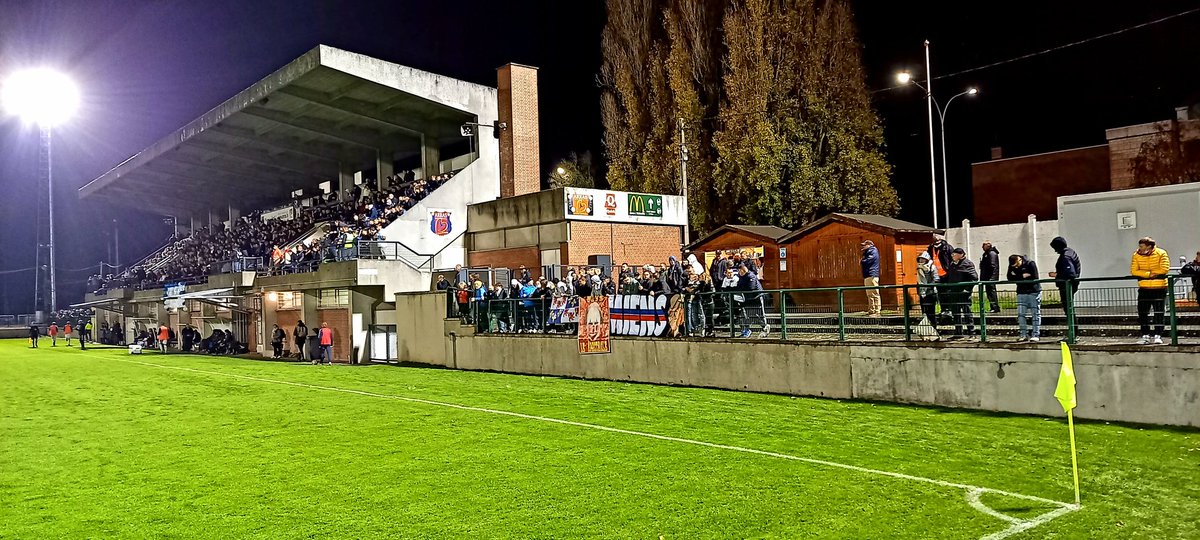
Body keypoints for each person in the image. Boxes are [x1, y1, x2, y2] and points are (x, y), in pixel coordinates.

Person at [1130, 237, 1170, 345]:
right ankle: (1145, 335)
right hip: (1144, 288)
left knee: (1159, 312)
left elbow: (1164, 269)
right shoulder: (1136, 255)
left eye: (1142, 246)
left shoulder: (1161, 253)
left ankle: (1158, 335)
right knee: (1142, 313)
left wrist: (1146, 273)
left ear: (1149, 246)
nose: (1140, 248)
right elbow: (1134, 271)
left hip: (1159, 287)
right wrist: (1149, 274)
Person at [944, 248, 978, 339]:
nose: (952, 256)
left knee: (967, 313)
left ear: (961, 255)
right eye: (952, 254)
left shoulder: (967, 264)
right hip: (954, 292)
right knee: (956, 313)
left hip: (963, 293)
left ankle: (972, 333)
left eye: (954, 254)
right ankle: (958, 333)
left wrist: (967, 289)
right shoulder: (952, 264)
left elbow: (974, 278)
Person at [1007, 254, 1041, 342]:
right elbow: (1010, 278)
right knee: (1021, 314)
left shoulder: (1030, 263)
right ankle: (1023, 334)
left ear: (1019, 260)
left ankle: (1036, 334)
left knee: (1035, 314)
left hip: (1033, 291)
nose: (1016, 267)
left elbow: (1035, 276)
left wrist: (1017, 276)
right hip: (1021, 292)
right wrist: (1022, 276)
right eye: (1014, 266)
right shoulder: (1012, 266)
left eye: (1016, 265)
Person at [1048, 236, 1081, 315]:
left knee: (1068, 306)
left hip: (1066, 285)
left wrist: (1057, 275)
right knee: (1069, 306)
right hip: (1071, 284)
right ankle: (1072, 322)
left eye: (1055, 248)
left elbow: (1070, 273)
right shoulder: (1070, 252)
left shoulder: (1065, 257)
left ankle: (1072, 322)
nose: (1055, 251)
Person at [736, 265, 769, 338]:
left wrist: (741, 289)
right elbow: (738, 286)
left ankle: (765, 327)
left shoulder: (751, 276)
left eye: (739, 271)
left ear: (743, 270)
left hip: (756, 298)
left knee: (759, 314)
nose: (738, 272)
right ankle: (747, 330)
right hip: (748, 299)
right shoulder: (741, 277)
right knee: (748, 314)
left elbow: (751, 287)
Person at [914, 253, 940, 337]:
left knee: (931, 313)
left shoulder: (932, 267)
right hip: (922, 293)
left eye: (923, 259)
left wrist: (929, 286)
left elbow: (936, 279)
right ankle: (926, 331)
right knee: (924, 313)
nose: (921, 260)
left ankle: (934, 330)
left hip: (931, 293)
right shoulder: (919, 268)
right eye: (920, 259)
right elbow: (919, 281)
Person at [860, 240, 881, 316]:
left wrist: (862, 260)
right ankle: (872, 310)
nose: (863, 246)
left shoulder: (873, 251)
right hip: (868, 275)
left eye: (865, 245)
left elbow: (867, 261)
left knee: (874, 293)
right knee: (869, 294)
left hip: (872, 274)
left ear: (869, 245)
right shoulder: (868, 252)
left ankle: (877, 310)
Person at [979, 242, 1001, 313]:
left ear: (987, 246)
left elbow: (992, 265)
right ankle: (993, 307)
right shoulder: (986, 253)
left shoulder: (991, 253)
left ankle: (995, 307)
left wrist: (987, 274)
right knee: (989, 293)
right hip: (987, 277)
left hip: (990, 277)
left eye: (983, 246)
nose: (982, 247)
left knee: (991, 292)